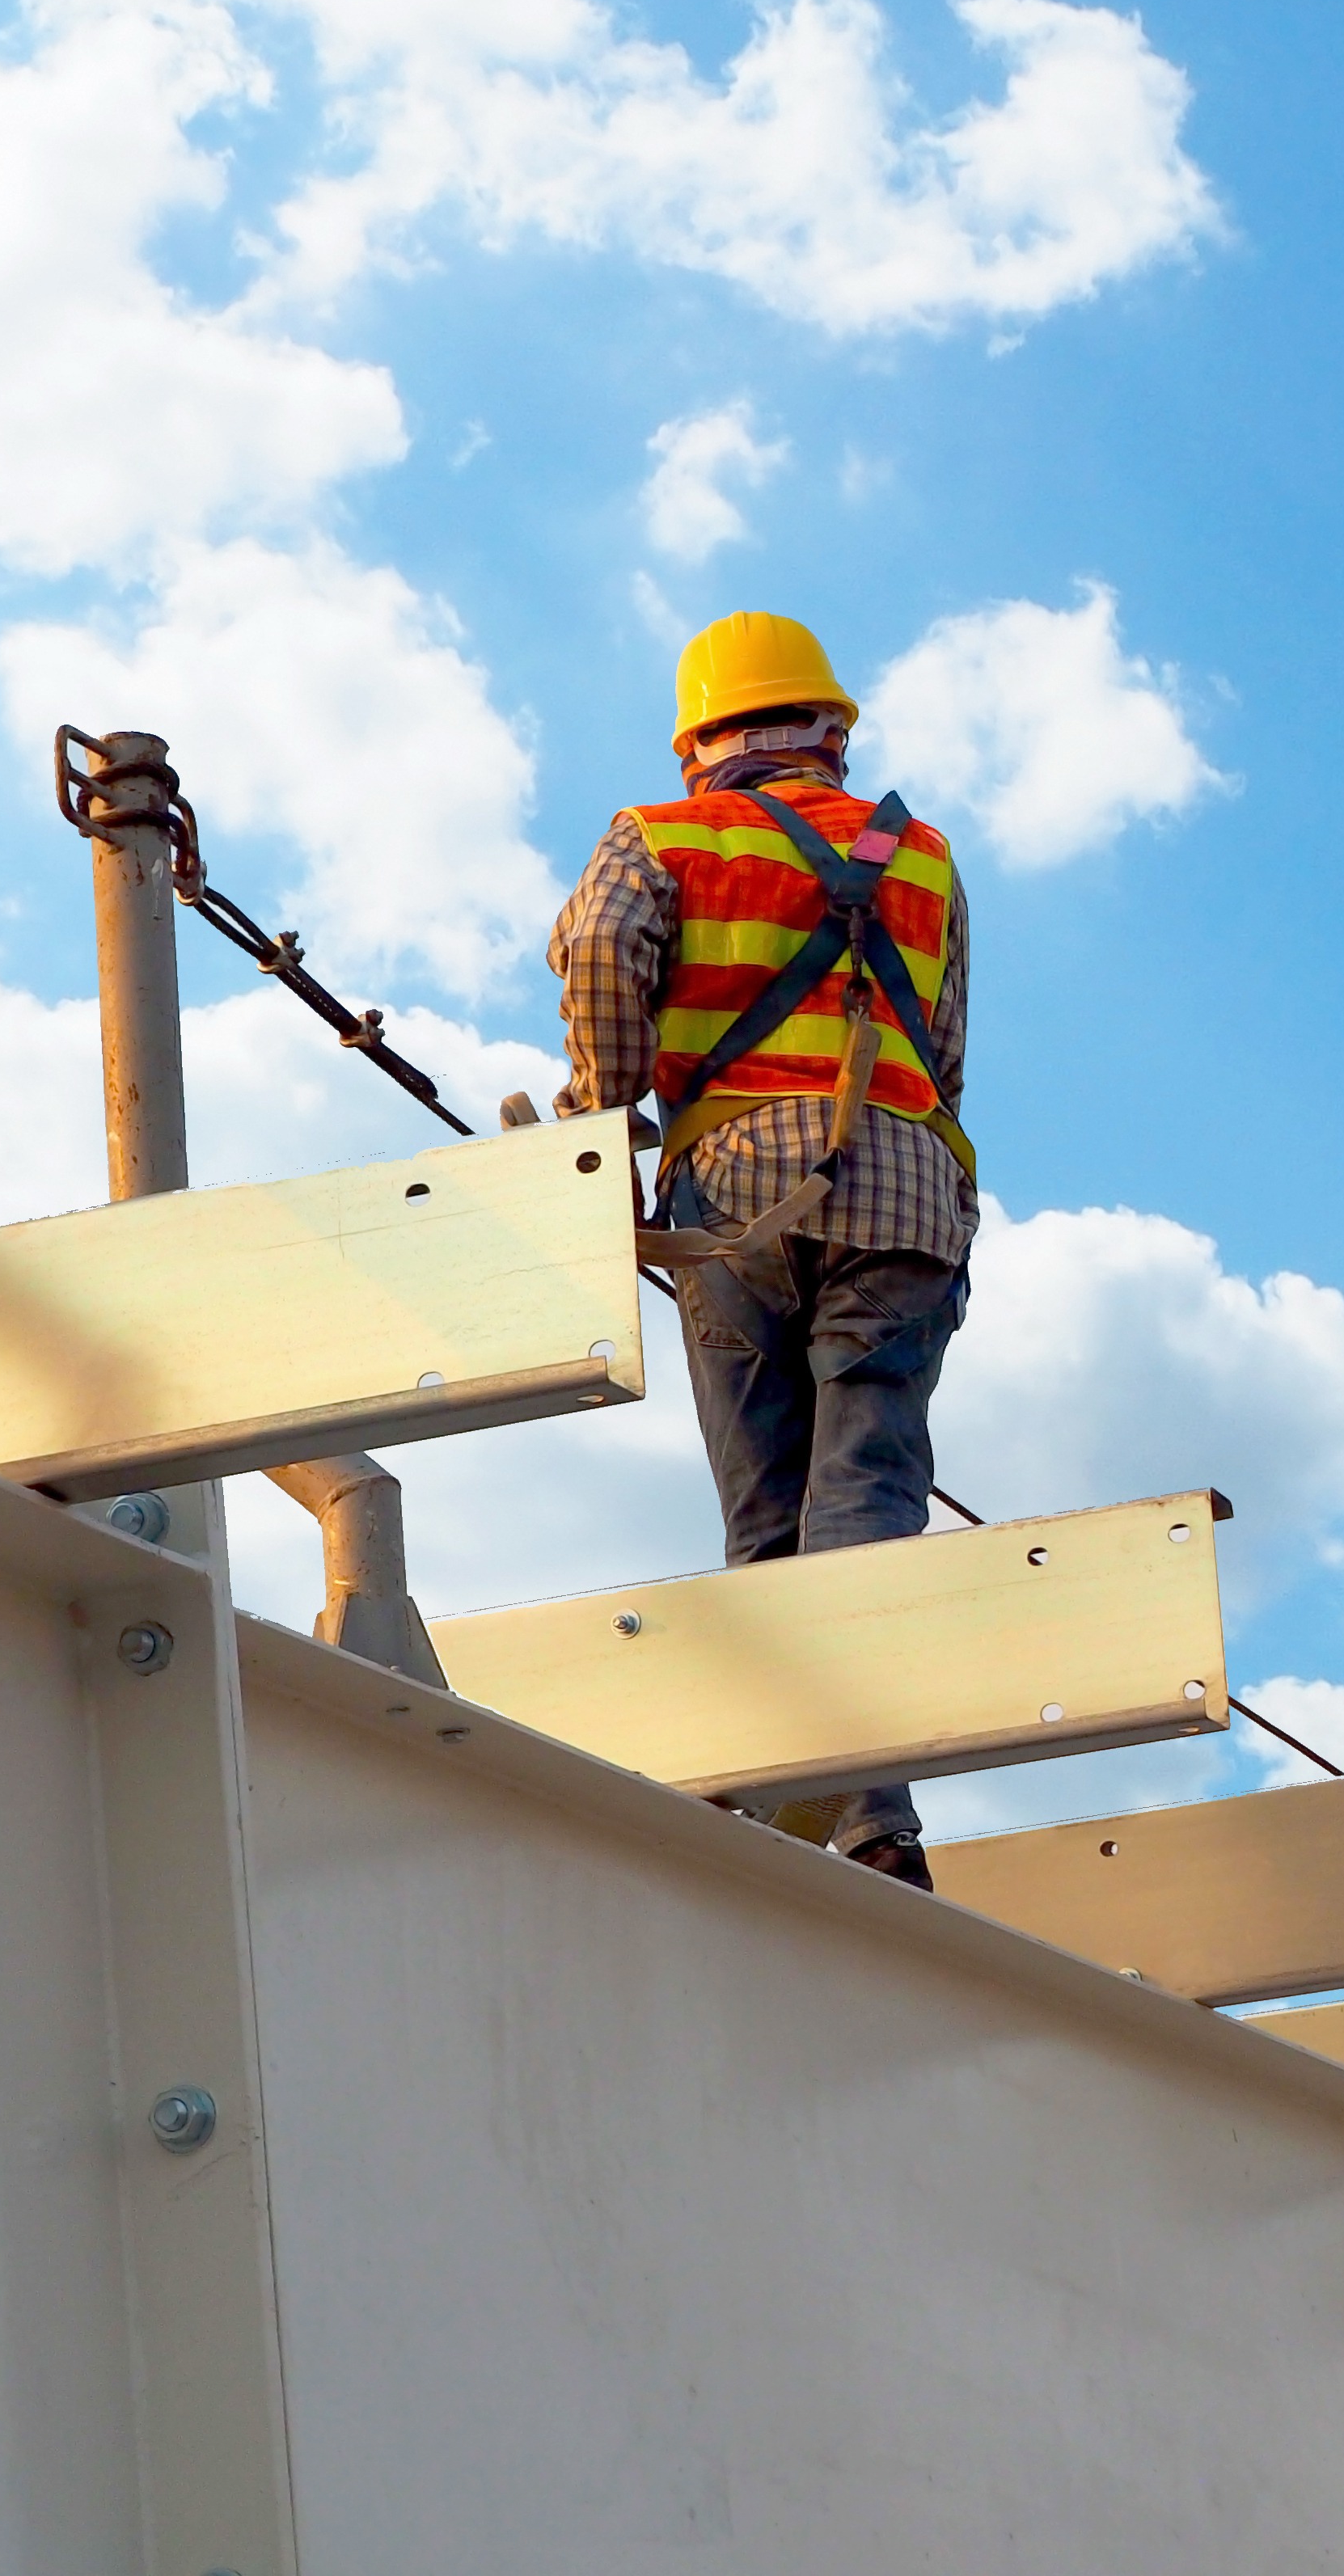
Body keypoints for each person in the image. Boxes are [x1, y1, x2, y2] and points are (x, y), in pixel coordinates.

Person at [549, 610, 974, 1890]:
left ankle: (824, 1795)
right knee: (869, 1488)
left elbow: (598, 952)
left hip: (730, 1195)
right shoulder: (929, 860)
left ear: (700, 741)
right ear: (831, 731)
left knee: (767, 1513)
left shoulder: (661, 834)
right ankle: (869, 1818)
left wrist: (600, 1110)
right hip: (906, 1191)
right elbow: (942, 1052)